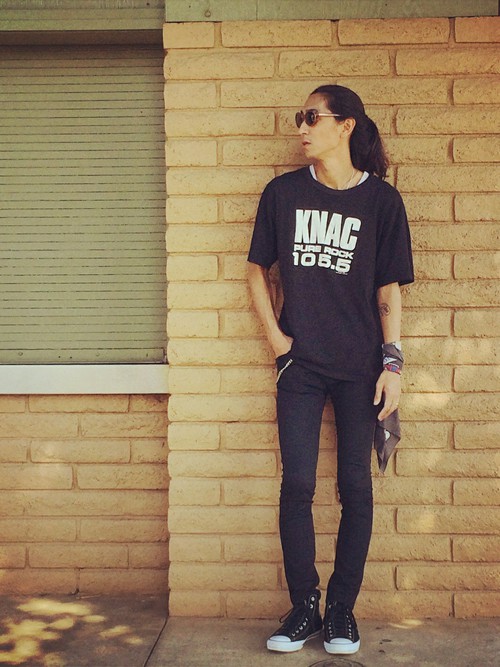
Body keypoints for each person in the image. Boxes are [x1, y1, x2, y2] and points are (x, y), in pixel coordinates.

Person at [247, 84, 414, 656]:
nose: (301, 127)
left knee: (355, 487)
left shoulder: (382, 203)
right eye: (301, 117)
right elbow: (255, 270)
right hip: (300, 365)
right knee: (297, 485)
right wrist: (278, 342)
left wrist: (392, 364)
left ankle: (342, 609)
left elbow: (388, 290)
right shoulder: (283, 194)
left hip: (360, 366)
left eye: (312, 117)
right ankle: (304, 608)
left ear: (346, 126)